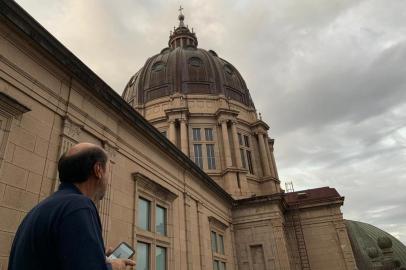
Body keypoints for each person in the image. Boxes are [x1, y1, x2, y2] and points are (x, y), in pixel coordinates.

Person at [8, 142, 135, 270]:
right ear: (98, 170)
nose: (108, 180)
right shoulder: (80, 205)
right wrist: (114, 266)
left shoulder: (41, 208)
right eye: (108, 172)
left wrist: (95, 256)